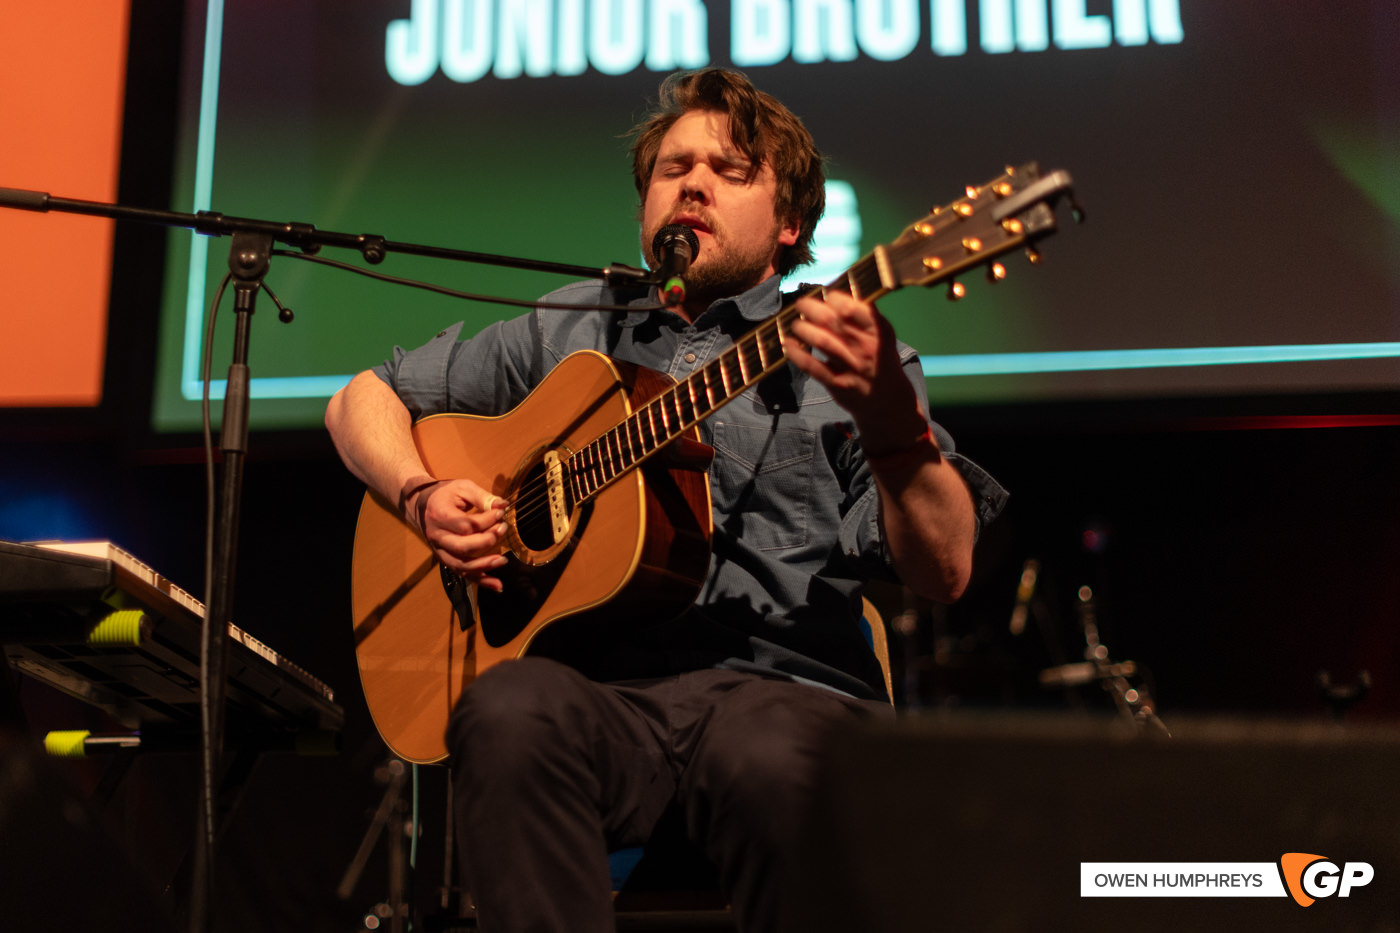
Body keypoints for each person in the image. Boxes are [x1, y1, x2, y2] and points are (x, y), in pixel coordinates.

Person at [325, 68, 1006, 933]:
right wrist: (419, 494)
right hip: (606, 704)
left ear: (790, 223)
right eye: (671, 168)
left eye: (728, 170)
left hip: (782, 693)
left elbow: (944, 568)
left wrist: (889, 421)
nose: (689, 183)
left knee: (762, 754)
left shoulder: (853, 359)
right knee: (503, 712)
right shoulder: (570, 327)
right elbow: (361, 400)